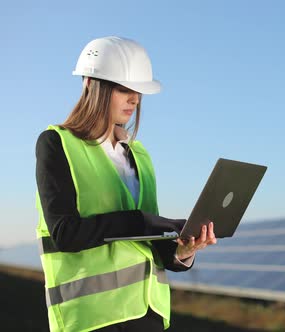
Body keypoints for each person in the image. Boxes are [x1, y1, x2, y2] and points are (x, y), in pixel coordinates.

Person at [35, 36, 217, 331]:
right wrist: (142, 221)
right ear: (91, 85)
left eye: (139, 91)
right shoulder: (57, 143)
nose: (135, 99)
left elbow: (148, 245)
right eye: (124, 89)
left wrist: (183, 252)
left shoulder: (139, 155)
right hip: (92, 317)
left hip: (148, 313)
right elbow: (64, 235)